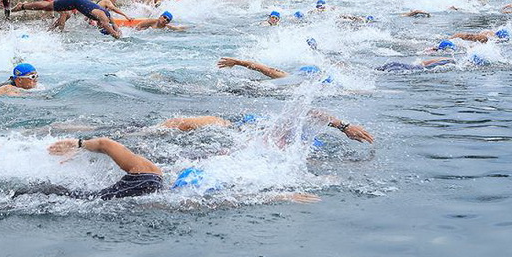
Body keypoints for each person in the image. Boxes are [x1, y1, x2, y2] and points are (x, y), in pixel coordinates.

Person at [12, 137, 163, 201]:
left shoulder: (151, 175)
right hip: (67, 197)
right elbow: (106, 144)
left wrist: (79, 144)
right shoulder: (149, 177)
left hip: (65, 196)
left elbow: (105, 144)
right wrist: (77, 144)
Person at [158, 110, 374, 143]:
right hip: (241, 127)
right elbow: (306, 111)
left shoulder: (294, 153)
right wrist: (344, 126)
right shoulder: (285, 128)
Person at [12, 0, 123, 38]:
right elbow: (106, 25)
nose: (98, 26)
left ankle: (50, 31)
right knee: (48, 7)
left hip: (75, 2)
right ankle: (22, 6)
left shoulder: (108, 17)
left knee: (61, 12)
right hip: (73, 0)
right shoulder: (103, 17)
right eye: (99, 27)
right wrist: (115, 35)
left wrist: (119, 32)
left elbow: (114, 26)